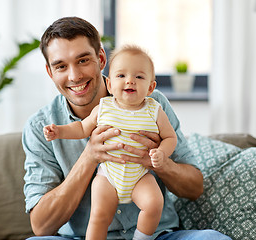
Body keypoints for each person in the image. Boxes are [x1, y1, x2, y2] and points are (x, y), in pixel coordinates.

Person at [23, 16, 231, 240]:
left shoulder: (152, 104)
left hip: (157, 235)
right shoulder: (40, 126)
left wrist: (160, 162)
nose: (74, 76)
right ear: (49, 72)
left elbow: (195, 187)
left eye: (83, 60)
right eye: (61, 66)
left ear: (101, 58)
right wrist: (89, 157)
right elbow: (41, 226)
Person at [43, 45, 177, 240]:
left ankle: (141, 239)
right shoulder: (104, 107)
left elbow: (170, 138)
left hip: (139, 175)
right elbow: (81, 128)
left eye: (139, 77)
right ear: (110, 85)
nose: (130, 80)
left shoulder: (154, 110)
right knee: (99, 216)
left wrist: (162, 154)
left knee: (154, 203)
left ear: (150, 87)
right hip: (108, 177)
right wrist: (59, 131)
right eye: (121, 76)